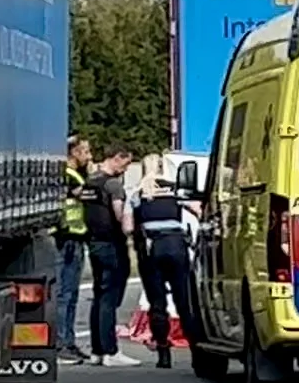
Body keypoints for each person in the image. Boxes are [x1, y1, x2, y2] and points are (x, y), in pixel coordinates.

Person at [130, 165, 201, 370]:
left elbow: (126, 225)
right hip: (177, 247)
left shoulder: (137, 194)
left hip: (152, 250)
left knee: (157, 303)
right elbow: (197, 209)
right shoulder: (175, 190)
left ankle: (163, 353)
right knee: (184, 302)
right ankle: (197, 352)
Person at [86, 148, 138, 361]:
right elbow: (119, 214)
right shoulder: (113, 184)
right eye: (125, 164)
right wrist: (130, 226)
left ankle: (97, 350)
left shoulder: (91, 182)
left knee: (99, 296)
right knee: (110, 297)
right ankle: (110, 351)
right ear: (117, 158)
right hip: (111, 244)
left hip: (94, 242)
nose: (125, 170)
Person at [55, 134, 100, 365]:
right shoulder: (68, 175)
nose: (89, 156)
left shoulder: (76, 175)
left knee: (71, 296)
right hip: (66, 241)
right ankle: (62, 343)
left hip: (75, 240)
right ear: (74, 152)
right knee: (64, 295)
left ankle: (69, 342)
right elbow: (86, 194)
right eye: (86, 151)